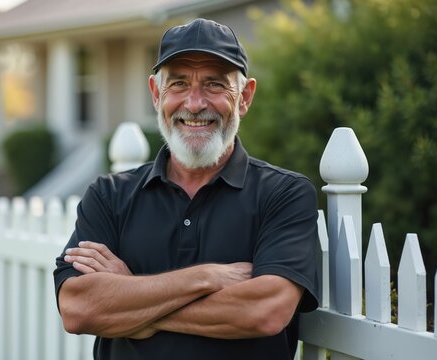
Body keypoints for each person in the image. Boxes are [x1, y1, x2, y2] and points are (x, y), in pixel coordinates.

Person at [53, 18, 319, 360]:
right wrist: (207, 277)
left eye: (214, 85)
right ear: (155, 94)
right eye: (178, 83)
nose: (194, 104)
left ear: (245, 98)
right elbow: (78, 308)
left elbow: (266, 311)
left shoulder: (284, 194)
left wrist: (130, 293)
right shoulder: (109, 195)